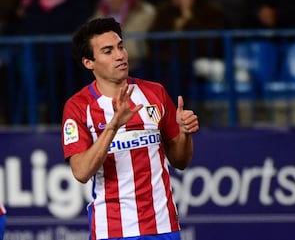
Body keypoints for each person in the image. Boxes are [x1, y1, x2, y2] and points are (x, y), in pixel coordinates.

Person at [61, 17, 199, 240]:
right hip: (113, 229)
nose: (120, 55)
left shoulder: (155, 93)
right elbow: (81, 172)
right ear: (89, 62)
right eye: (108, 51)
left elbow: (180, 162)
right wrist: (114, 125)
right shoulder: (78, 106)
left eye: (120, 46)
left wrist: (185, 133)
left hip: (163, 226)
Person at [147, 0, 226, 101]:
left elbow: (205, 44)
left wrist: (187, 16)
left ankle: (175, 113)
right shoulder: (164, 11)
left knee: (178, 69)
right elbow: (152, 40)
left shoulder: (211, 13)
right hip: (164, 60)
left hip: (197, 60)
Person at [92, 0, 156, 71]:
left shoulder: (143, 11)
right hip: (107, 66)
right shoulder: (101, 13)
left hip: (136, 64)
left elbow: (134, 45)